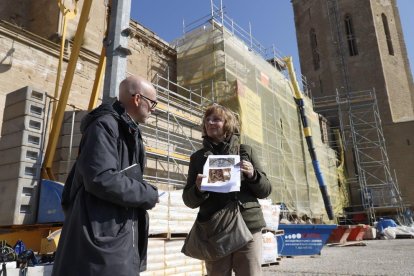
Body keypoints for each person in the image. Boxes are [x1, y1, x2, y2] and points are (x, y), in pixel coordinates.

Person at [52, 76, 159, 276]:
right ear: (137, 99)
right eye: (152, 102)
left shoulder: (127, 129)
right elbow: (100, 178)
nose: (153, 108)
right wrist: (148, 194)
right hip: (102, 239)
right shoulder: (105, 125)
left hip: (115, 234)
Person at [182, 104, 272, 276]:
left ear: (228, 124)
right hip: (215, 229)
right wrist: (198, 189)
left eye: (216, 119)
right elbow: (188, 200)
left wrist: (253, 175)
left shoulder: (245, 151)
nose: (209, 122)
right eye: (207, 119)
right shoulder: (198, 158)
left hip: (248, 225)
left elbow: (266, 190)